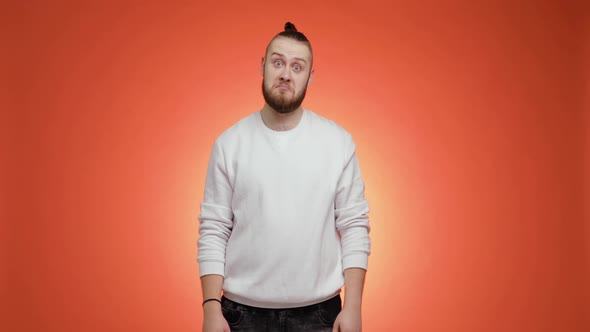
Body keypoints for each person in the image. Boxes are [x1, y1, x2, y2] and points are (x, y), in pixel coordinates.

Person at [197, 22, 371, 332]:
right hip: (240, 316)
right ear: (263, 66)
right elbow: (214, 228)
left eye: (297, 66)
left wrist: (354, 307)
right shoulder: (229, 143)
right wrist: (211, 308)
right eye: (278, 62)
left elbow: (354, 225)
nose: (286, 74)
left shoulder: (338, 142)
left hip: (320, 316)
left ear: (310, 76)